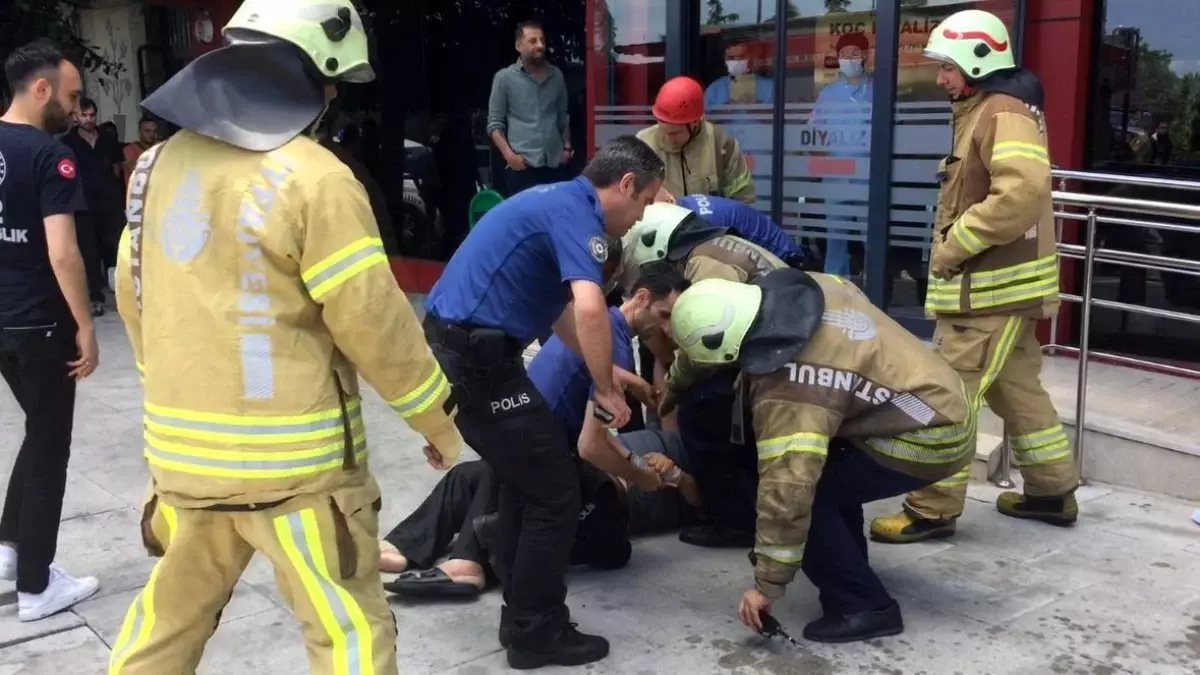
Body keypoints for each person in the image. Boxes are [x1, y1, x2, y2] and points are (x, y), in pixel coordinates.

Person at [106, 2, 465, 673]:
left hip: (185, 466)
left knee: (164, 627)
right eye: (332, 83)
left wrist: (170, 392)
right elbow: (371, 318)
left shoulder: (153, 168)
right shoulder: (317, 178)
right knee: (347, 631)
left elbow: (134, 293)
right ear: (309, 76)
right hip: (298, 476)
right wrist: (437, 419)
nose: (333, 99)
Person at [422, 135, 664, 670]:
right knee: (555, 491)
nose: (641, 217)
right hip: (477, 360)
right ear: (625, 185)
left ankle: (523, 619)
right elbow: (590, 306)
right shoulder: (580, 218)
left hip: (474, 353)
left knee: (523, 484)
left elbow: (560, 316)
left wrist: (611, 371)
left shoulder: (558, 203)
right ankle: (536, 631)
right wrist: (603, 390)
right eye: (646, 202)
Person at [668, 271, 977, 643]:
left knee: (807, 495)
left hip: (927, 434)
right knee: (830, 479)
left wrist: (767, 584)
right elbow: (702, 354)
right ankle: (849, 565)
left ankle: (864, 605)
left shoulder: (792, 387)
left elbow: (788, 491)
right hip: (938, 399)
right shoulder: (803, 288)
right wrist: (673, 387)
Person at [870, 9, 1078, 545]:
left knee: (947, 398)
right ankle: (1052, 491)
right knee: (1017, 391)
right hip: (997, 291)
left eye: (947, 67)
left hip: (987, 294)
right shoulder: (988, 107)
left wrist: (955, 244)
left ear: (979, 61)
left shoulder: (1000, 111)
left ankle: (932, 507)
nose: (940, 78)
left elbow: (1022, 191)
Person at [382, 264, 698, 598]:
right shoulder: (613, 344)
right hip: (542, 451)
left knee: (483, 474)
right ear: (643, 298)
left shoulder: (597, 330)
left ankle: (425, 551)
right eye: (664, 315)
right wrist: (639, 472)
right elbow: (592, 446)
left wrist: (634, 390)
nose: (666, 329)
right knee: (506, 479)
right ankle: (453, 558)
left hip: (523, 434)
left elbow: (598, 397)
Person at [0, 39, 101, 623]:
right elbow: (63, 252)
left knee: (38, 432)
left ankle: (11, 552)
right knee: (51, 446)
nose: (74, 105)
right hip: (41, 322)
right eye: (71, 95)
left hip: (4, 323)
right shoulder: (48, 155)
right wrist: (85, 325)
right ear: (41, 90)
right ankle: (38, 586)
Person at [621, 202, 788, 550]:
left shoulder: (706, 268)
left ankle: (732, 521)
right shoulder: (704, 251)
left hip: (774, 353)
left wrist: (674, 394)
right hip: (773, 342)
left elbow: (705, 344)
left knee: (705, 413)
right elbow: (670, 348)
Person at [487, 20, 573, 197]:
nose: (540, 45)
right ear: (519, 46)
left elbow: (562, 116)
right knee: (527, 223)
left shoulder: (556, 76)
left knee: (553, 221)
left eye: (542, 40)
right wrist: (510, 156)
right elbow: (495, 124)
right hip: (522, 168)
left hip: (555, 165)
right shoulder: (504, 79)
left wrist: (567, 148)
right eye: (533, 41)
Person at [637, 76, 755, 204]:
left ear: (694, 122)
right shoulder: (643, 144)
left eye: (675, 133)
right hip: (662, 223)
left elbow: (743, 198)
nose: (669, 139)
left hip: (710, 223)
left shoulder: (720, 143)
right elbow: (631, 201)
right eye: (663, 130)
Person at [812, 31, 873, 278]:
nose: (849, 59)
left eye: (854, 54)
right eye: (844, 55)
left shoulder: (879, 90)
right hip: (836, 177)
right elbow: (817, 133)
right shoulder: (829, 93)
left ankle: (877, 292)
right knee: (835, 240)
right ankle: (835, 291)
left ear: (866, 56)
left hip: (869, 177)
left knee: (873, 240)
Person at [60, 97, 123, 314]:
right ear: (75, 117)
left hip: (110, 204)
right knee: (89, 252)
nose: (88, 119)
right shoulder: (66, 143)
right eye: (84, 115)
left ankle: (123, 297)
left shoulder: (107, 139)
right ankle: (95, 297)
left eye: (92, 115)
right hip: (83, 206)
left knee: (115, 249)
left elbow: (118, 168)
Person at [668, 191, 810, 269]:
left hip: (786, 262)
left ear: (669, 201)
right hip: (772, 255)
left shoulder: (702, 223)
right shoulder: (687, 204)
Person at [704, 37, 774, 108]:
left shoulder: (770, 88)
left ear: (752, 57)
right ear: (725, 59)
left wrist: (758, 107)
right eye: (731, 58)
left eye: (741, 56)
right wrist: (724, 109)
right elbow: (704, 116)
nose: (736, 61)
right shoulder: (714, 89)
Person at [122, 115, 158, 189]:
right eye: (147, 131)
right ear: (139, 132)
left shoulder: (159, 148)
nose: (151, 134)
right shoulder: (129, 150)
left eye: (154, 131)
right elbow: (137, 172)